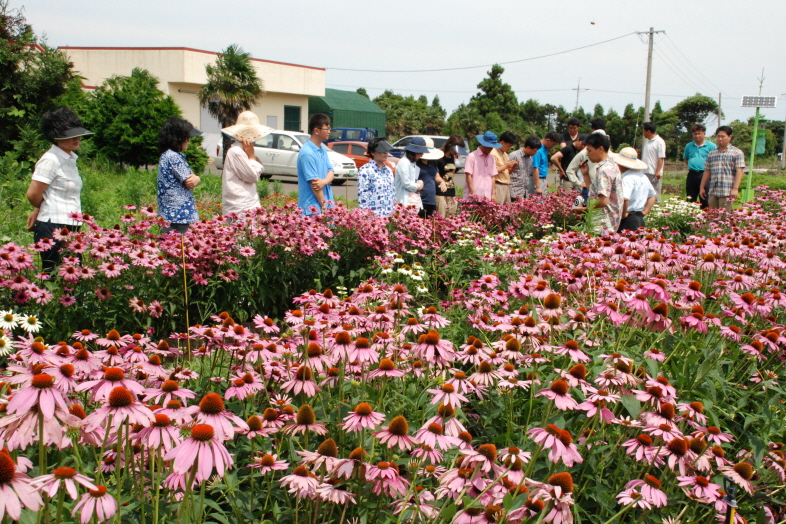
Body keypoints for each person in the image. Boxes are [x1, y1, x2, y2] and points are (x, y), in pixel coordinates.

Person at [26, 108, 94, 272]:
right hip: (53, 226)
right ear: (56, 137)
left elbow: (52, 192)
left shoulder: (69, 159)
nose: (77, 138)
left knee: (74, 275)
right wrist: (42, 208)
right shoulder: (51, 159)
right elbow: (33, 193)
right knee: (54, 275)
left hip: (71, 225)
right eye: (71, 135)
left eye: (78, 134)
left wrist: (38, 209)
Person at [156, 116, 202, 234]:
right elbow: (190, 181)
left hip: (170, 214)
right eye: (187, 137)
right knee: (178, 243)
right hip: (179, 215)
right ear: (178, 138)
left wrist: (195, 178)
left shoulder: (167, 155)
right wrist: (197, 178)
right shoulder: (173, 156)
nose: (188, 140)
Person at [220, 111, 272, 215]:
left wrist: (252, 156)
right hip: (241, 208)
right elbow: (252, 177)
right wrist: (252, 157)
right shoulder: (237, 152)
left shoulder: (243, 151)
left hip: (246, 205)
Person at [573, 133, 623, 235]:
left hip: (602, 224)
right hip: (609, 224)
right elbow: (595, 193)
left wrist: (584, 210)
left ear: (600, 149)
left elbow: (603, 201)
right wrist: (586, 174)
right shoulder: (612, 165)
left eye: (589, 150)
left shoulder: (604, 170)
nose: (587, 154)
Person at [699, 126, 745, 211]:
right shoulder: (712, 153)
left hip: (727, 191)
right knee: (712, 215)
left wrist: (735, 189)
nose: (720, 139)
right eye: (718, 136)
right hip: (713, 191)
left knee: (724, 216)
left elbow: (739, 171)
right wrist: (702, 187)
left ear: (730, 137)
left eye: (723, 136)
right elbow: (707, 171)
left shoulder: (737, 153)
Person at [611, 147, 656, 232]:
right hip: (639, 217)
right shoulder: (643, 176)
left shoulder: (627, 178)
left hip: (628, 218)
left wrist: (623, 215)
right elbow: (652, 195)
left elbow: (625, 198)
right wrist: (645, 211)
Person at [297, 113, 334, 215]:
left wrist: (324, 182)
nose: (329, 132)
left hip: (325, 205)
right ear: (316, 130)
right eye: (326, 129)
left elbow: (331, 171)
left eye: (329, 128)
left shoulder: (322, 150)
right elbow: (315, 184)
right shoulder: (307, 153)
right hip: (312, 209)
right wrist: (324, 205)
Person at [357, 138, 396, 217]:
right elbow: (363, 195)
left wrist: (395, 210)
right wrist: (365, 215)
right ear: (373, 153)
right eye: (381, 151)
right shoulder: (365, 170)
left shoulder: (388, 170)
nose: (385, 153)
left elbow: (393, 192)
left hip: (389, 214)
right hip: (373, 216)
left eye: (386, 151)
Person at [683, 123, 716, 208]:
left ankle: (705, 215)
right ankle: (691, 215)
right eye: (695, 134)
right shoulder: (689, 146)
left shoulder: (711, 146)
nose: (697, 136)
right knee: (690, 198)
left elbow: (715, 161)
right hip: (692, 174)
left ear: (704, 134)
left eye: (699, 133)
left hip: (705, 174)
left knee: (705, 198)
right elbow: (686, 159)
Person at [434, 135, 467, 217]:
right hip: (440, 191)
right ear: (449, 146)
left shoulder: (452, 157)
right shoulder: (438, 156)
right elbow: (434, 174)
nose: (456, 153)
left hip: (451, 190)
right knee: (441, 215)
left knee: (451, 216)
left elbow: (452, 173)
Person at [395, 137, 429, 212]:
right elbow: (406, 184)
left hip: (412, 200)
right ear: (414, 152)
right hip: (404, 201)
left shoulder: (412, 163)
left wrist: (420, 182)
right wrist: (418, 186)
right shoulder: (404, 162)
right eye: (421, 153)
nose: (421, 155)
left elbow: (413, 179)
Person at [465, 131, 500, 200]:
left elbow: (492, 177)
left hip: (487, 197)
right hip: (473, 197)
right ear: (484, 145)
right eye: (489, 147)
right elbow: (468, 176)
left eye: (492, 147)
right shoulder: (472, 156)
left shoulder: (491, 158)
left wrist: (493, 194)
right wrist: (473, 193)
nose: (491, 149)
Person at [416, 138, 445, 218]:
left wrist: (442, 182)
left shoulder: (432, 162)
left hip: (431, 199)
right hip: (420, 199)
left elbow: (436, 176)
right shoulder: (416, 163)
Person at [491, 131, 518, 204]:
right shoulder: (493, 153)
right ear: (502, 142)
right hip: (498, 185)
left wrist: (513, 166)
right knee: (498, 208)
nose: (509, 148)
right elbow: (492, 171)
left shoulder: (505, 154)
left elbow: (507, 172)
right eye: (509, 146)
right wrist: (506, 166)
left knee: (507, 209)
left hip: (506, 185)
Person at [641, 122, 666, 203]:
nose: (643, 133)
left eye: (644, 131)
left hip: (653, 173)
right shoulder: (648, 142)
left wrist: (658, 171)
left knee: (655, 194)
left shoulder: (659, 141)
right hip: (645, 172)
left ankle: (657, 209)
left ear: (648, 131)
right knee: (646, 195)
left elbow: (661, 157)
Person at [509, 136, 540, 200]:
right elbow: (507, 172)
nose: (535, 153)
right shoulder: (514, 155)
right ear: (528, 147)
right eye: (534, 151)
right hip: (514, 192)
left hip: (524, 193)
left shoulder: (530, 159)